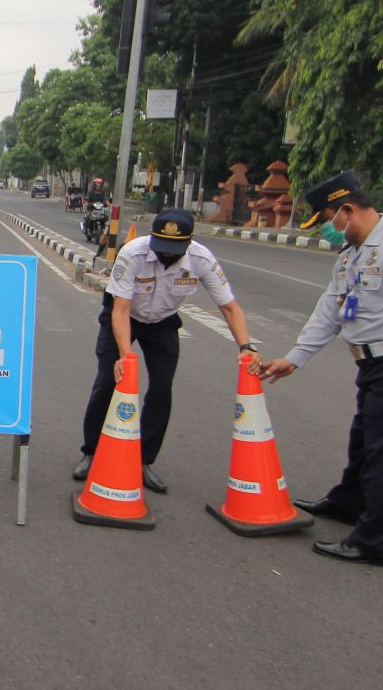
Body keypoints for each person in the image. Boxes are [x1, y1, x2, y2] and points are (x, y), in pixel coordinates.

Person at [259, 171, 383, 567]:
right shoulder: (352, 254)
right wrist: (295, 358)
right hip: (376, 365)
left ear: (347, 211)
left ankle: (374, 542)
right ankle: (349, 502)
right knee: (365, 439)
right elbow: (329, 310)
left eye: (330, 220)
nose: (328, 231)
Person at [73, 207, 260, 492]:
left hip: (162, 322)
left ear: (190, 241)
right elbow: (120, 311)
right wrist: (125, 355)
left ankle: (143, 460)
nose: (167, 255)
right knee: (109, 380)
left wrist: (245, 346)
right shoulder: (132, 254)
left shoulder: (201, 259)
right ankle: (91, 452)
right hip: (124, 318)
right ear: (152, 237)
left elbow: (229, 307)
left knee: (162, 387)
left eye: (174, 249)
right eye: (162, 247)